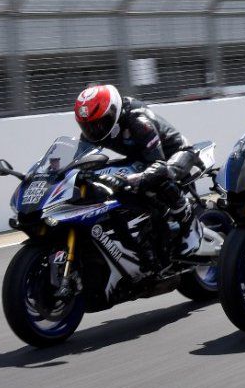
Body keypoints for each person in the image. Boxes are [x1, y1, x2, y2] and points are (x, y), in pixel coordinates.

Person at [73, 83, 201, 258]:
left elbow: (158, 165)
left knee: (162, 178)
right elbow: (79, 162)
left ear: (114, 112)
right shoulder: (94, 131)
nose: (95, 130)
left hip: (175, 154)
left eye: (100, 123)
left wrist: (130, 180)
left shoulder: (138, 121)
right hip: (141, 156)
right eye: (88, 126)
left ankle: (189, 224)